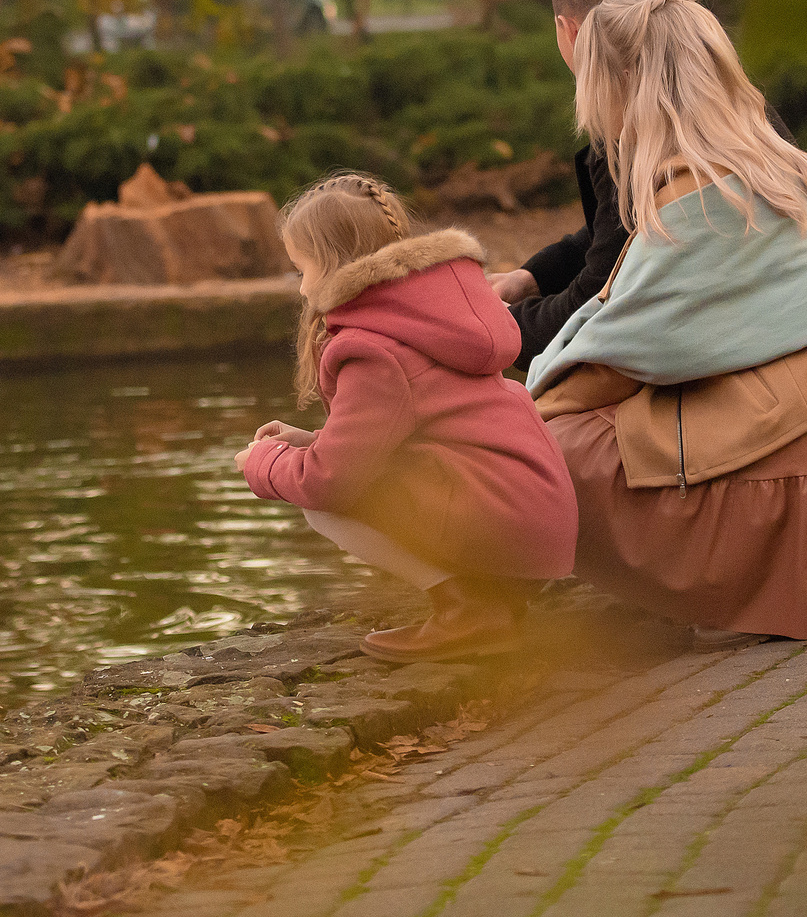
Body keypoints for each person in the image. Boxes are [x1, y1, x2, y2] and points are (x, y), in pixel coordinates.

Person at [527, 0, 807, 644]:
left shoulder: (698, 195)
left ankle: (488, 605)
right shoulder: (768, 164)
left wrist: (507, 417)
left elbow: (607, 360)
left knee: (548, 447)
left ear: (628, 84)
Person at [240, 173, 578, 663]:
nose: (301, 290)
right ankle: (495, 599)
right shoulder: (431, 316)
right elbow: (420, 428)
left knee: (322, 504)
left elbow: (329, 480)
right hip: (535, 520)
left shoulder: (370, 348)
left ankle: (468, 611)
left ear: (333, 265)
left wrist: (263, 462)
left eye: (301, 271)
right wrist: (309, 437)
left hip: (502, 522)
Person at [488, 0, 652, 366]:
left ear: (569, 29)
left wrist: (498, 328)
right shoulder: (739, 106)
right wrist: (533, 277)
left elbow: (600, 303)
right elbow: (621, 232)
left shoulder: (634, 127)